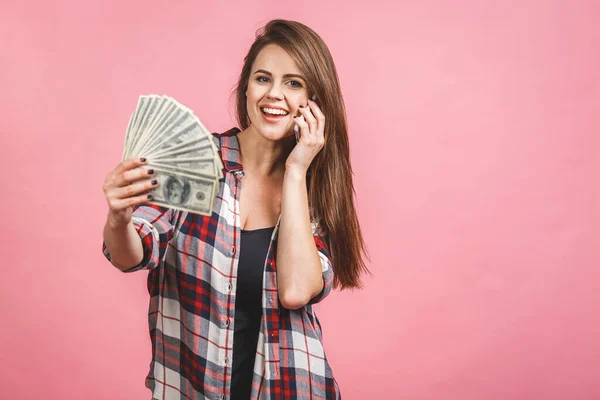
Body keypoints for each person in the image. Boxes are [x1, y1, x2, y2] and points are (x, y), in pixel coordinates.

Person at [102, 19, 369, 400]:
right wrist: (119, 216)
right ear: (246, 87)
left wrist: (296, 172)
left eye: (293, 84)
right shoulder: (196, 162)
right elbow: (132, 253)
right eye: (263, 79)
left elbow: (295, 292)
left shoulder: (317, 188)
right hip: (193, 387)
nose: (274, 95)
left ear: (314, 101)